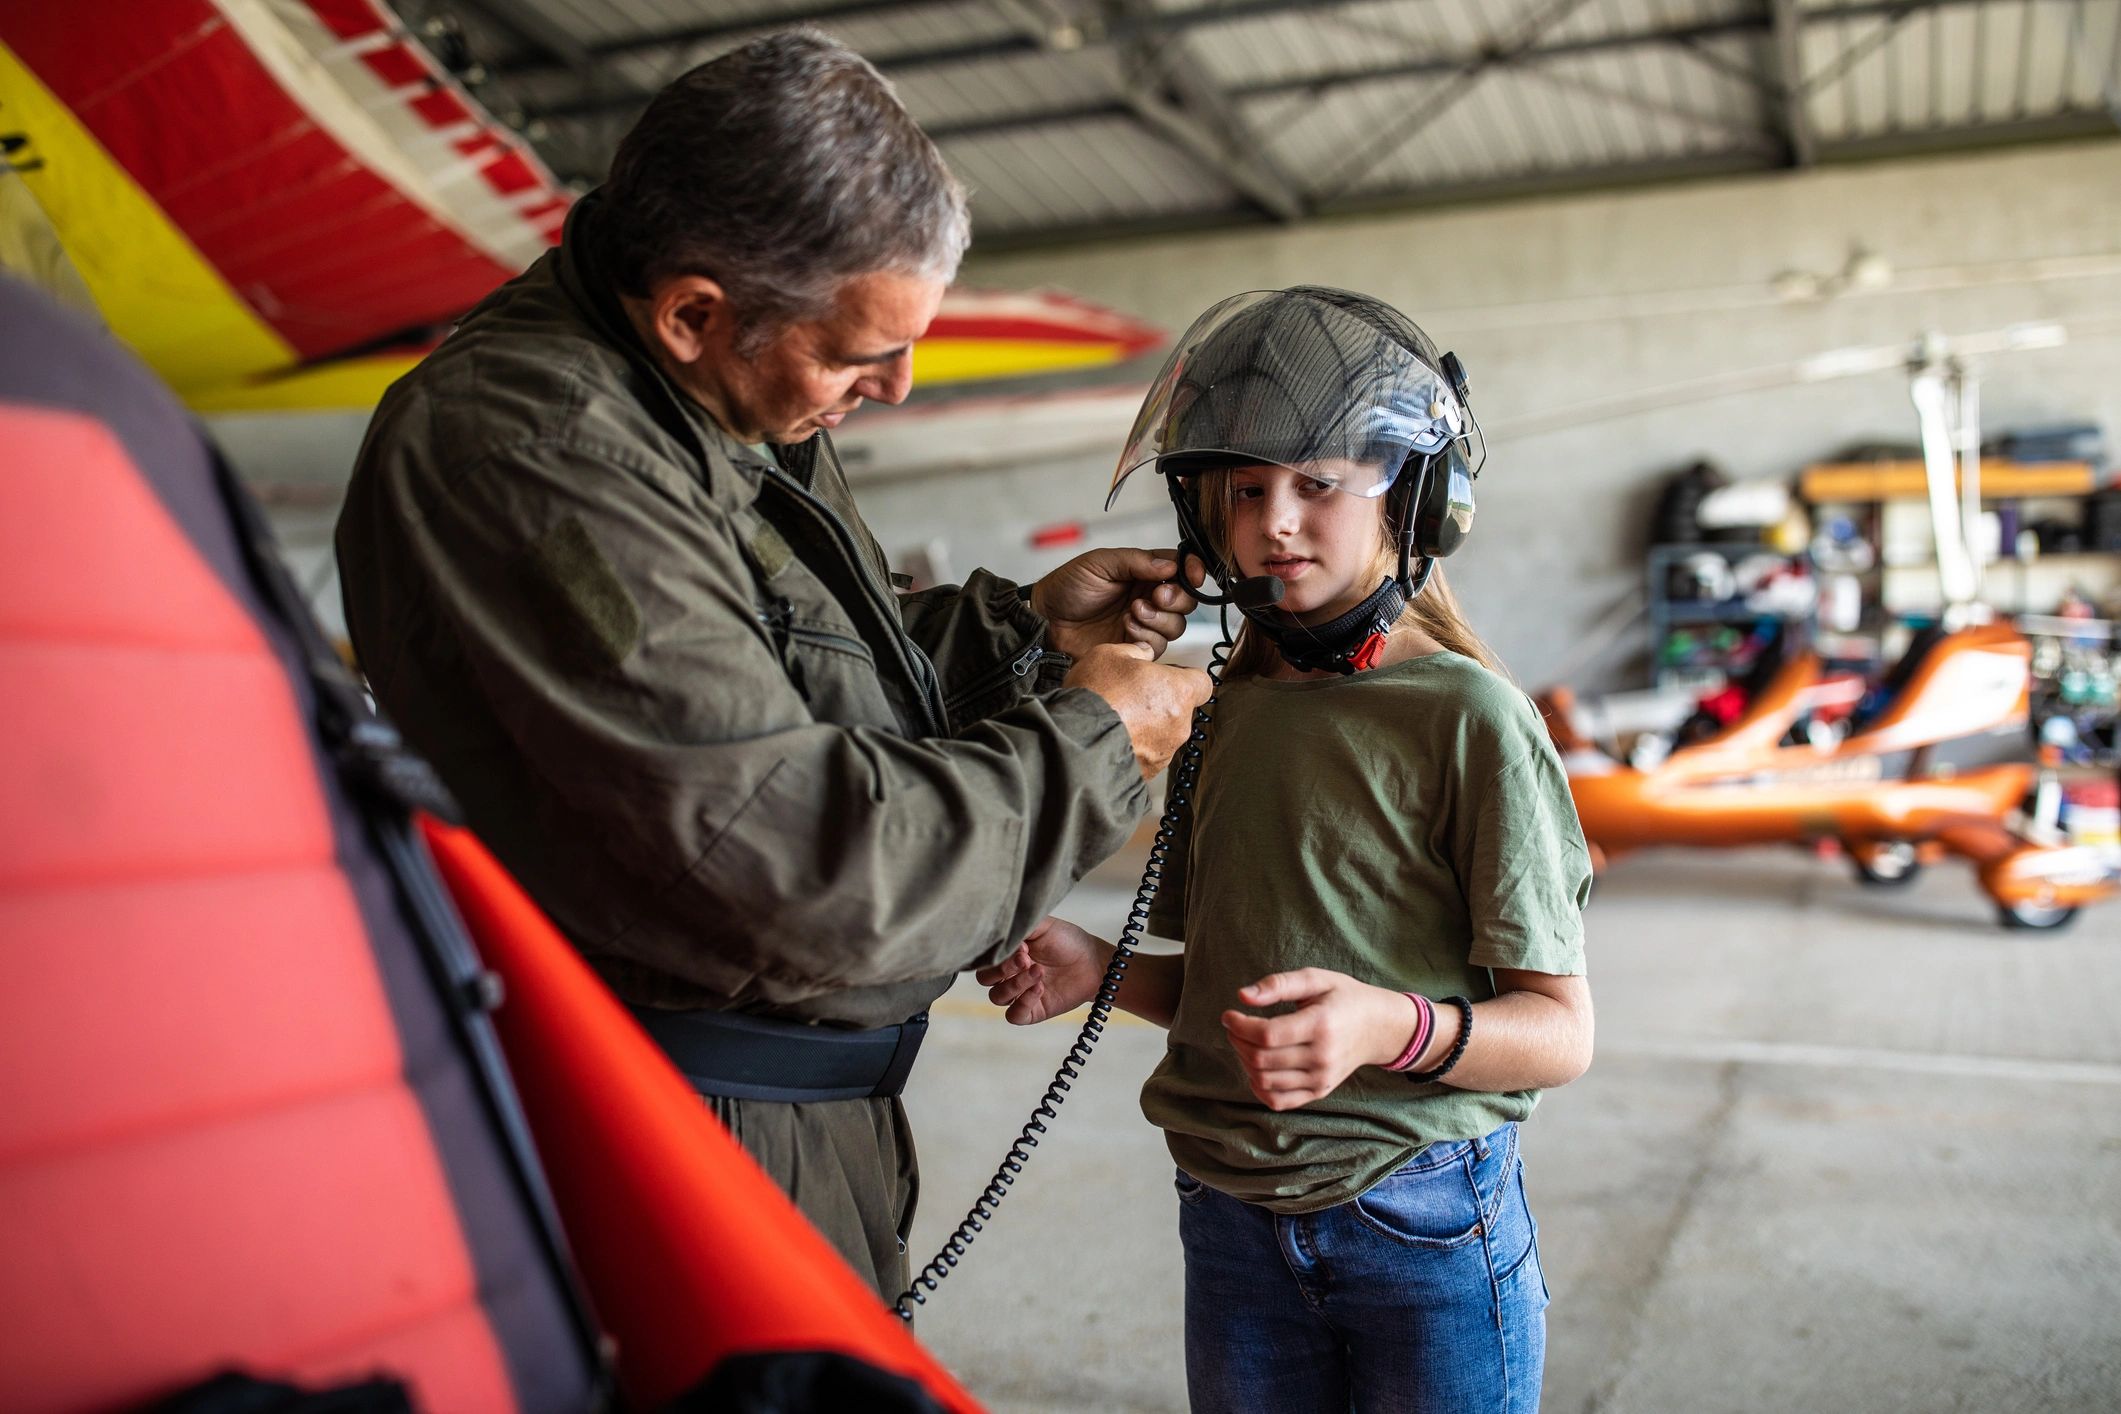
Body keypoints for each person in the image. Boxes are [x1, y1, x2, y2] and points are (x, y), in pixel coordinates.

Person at [334, 29, 1210, 1301]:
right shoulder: (539, 450)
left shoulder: (724, 386)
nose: (898, 387)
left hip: (792, 1108)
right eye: (862, 356)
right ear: (695, 311)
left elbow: (797, 677)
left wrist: (1026, 629)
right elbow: (798, 861)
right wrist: (1093, 746)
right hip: (684, 1124)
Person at [979, 287, 1594, 1412]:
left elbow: (1558, 1035)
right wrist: (1097, 970)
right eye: (1246, 488)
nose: (1274, 523)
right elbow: (1235, 995)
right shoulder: (1214, 708)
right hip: (1229, 1224)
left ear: (1414, 499)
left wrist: (1385, 1025)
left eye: (1318, 485)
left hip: (1419, 1221)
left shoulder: (1470, 719)